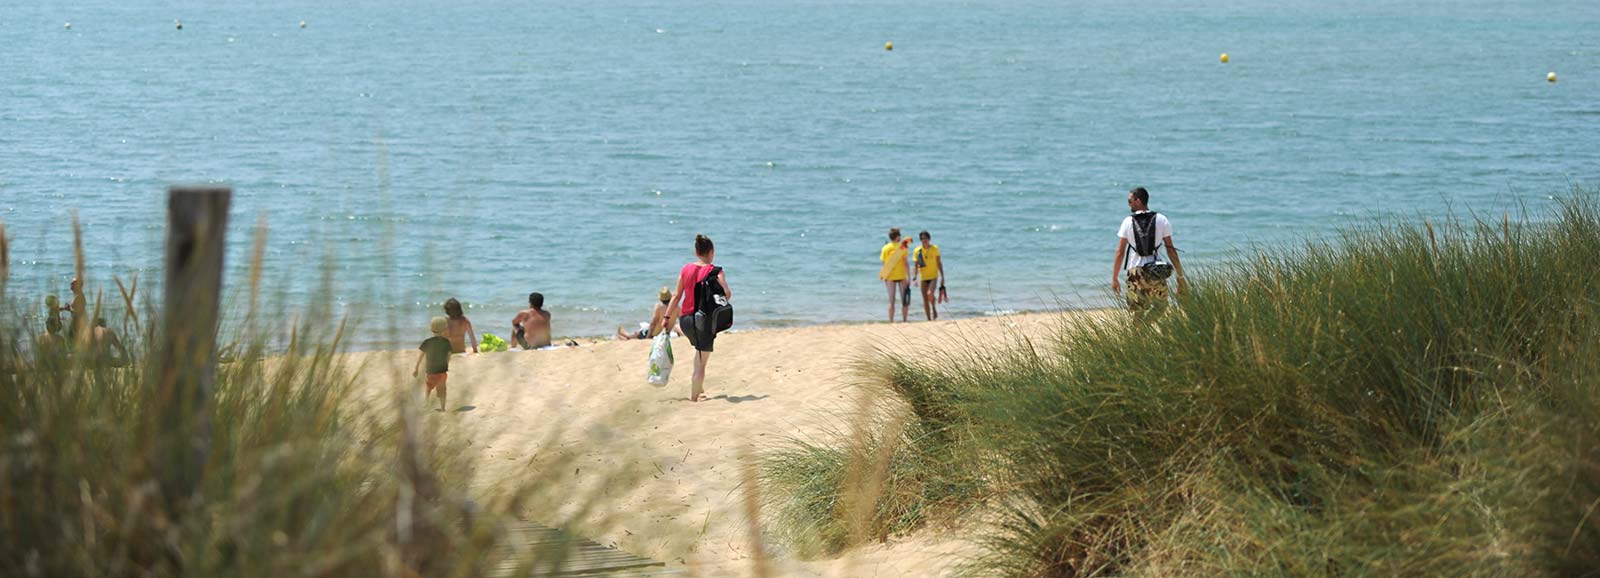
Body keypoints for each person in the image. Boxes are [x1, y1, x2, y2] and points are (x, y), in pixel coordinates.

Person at [664, 234, 730, 402]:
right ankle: (694, 398)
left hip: (685, 321)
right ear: (712, 252)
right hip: (704, 321)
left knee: (699, 352)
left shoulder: (685, 269)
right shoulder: (716, 271)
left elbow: (676, 295)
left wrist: (667, 317)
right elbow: (727, 294)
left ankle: (698, 389)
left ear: (696, 252)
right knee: (701, 363)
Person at [1112, 187, 1186, 312]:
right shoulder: (1162, 219)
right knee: (1161, 307)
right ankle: (1146, 326)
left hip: (1135, 272)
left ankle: (1138, 330)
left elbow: (1120, 252)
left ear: (1138, 201)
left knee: (1137, 312)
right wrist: (1180, 277)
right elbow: (1171, 250)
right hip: (1156, 271)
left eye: (1130, 201)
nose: (1128, 204)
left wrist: (1114, 278)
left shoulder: (1128, 221)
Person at [412, 316, 452, 412]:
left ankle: (426, 403)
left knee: (428, 387)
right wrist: (446, 364)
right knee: (442, 389)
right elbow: (449, 355)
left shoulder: (427, 342)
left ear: (431, 329)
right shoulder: (446, 342)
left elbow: (421, 356)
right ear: (444, 329)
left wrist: (416, 368)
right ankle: (442, 408)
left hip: (431, 371)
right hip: (442, 371)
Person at [911, 231, 947, 321]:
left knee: (930, 294)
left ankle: (934, 309)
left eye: (926, 238)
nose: (924, 240)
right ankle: (929, 319)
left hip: (933, 277)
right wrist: (914, 278)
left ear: (929, 239)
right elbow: (915, 266)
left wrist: (942, 277)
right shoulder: (917, 251)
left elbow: (939, 263)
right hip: (923, 277)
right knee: (925, 299)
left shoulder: (934, 248)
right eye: (922, 239)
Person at [878, 228, 912, 323]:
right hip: (901, 276)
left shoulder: (885, 248)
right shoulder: (903, 247)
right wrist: (909, 276)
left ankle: (891, 321)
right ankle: (904, 320)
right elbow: (906, 263)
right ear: (898, 237)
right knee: (904, 301)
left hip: (890, 277)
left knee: (891, 301)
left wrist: (883, 275)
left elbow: (884, 264)